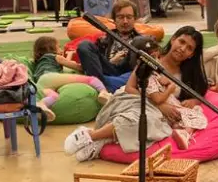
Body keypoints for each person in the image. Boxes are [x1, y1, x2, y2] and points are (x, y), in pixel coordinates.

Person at [64, 27, 206, 161]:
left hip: (159, 115)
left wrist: (195, 101)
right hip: (135, 99)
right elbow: (130, 88)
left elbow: (201, 92)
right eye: (181, 42)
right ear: (173, 39)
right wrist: (159, 105)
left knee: (152, 122)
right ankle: (90, 135)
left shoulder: (187, 75)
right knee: (143, 118)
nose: (182, 49)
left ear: (192, 54)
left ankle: (100, 142)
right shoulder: (152, 60)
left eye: (189, 48)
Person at [76, 0, 138, 84]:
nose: (125, 21)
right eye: (120, 17)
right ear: (114, 20)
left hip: (128, 75)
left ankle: (102, 85)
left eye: (129, 17)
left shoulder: (142, 40)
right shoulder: (103, 40)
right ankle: (100, 84)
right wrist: (111, 61)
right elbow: (91, 63)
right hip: (108, 71)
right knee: (84, 45)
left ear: (135, 19)